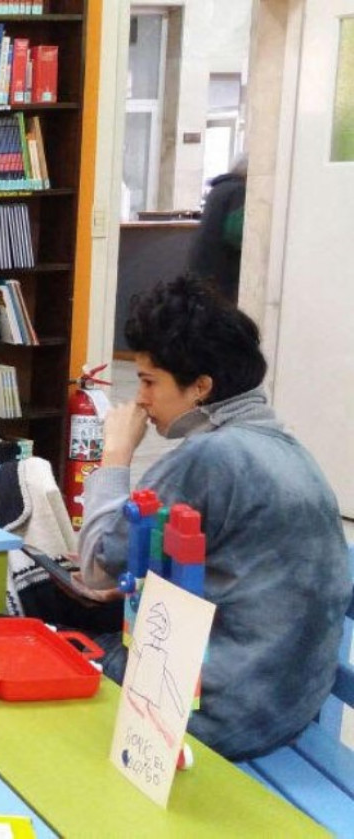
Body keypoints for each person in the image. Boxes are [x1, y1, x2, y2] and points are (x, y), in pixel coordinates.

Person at [78, 274, 351, 760]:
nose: (140, 398)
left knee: (32, 641)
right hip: (280, 706)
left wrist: (115, 457)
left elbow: (98, 564)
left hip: (213, 712)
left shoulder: (211, 455)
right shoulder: (288, 450)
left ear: (201, 387)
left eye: (148, 381)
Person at [188, 154, 247, 303]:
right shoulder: (239, 190)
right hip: (222, 270)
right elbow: (235, 233)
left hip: (203, 264)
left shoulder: (219, 188)